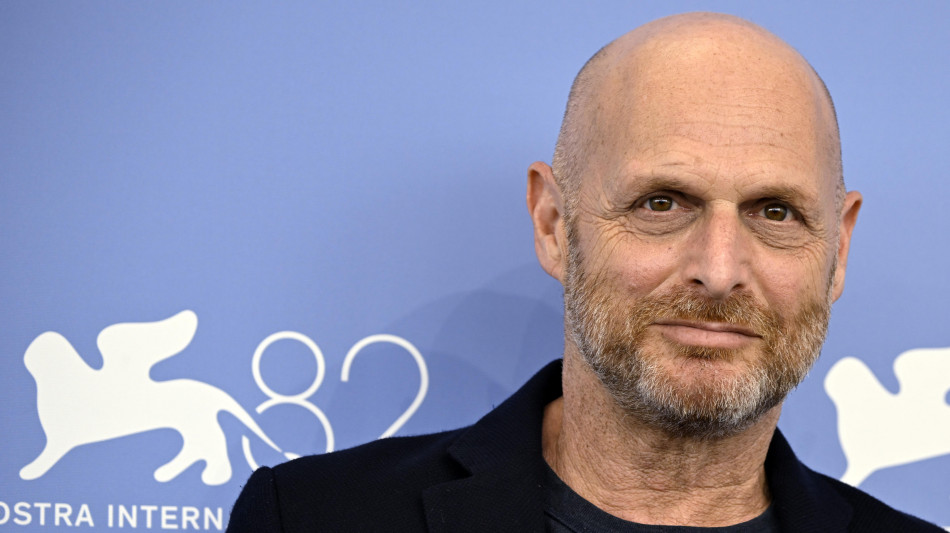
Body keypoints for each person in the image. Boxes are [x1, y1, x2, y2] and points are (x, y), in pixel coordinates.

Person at [226, 12, 942, 532]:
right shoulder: (313, 517)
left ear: (838, 249)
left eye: (775, 212)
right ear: (553, 224)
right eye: (662, 203)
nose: (720, 270)